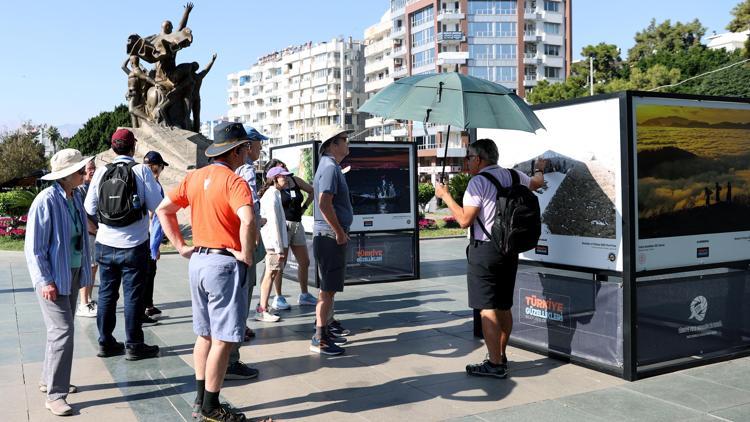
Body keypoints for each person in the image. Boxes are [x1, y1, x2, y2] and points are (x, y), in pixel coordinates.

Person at [157, 122, 258, 421]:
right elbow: (248, 220)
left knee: (204, 334)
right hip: (223, 263)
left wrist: (180, 245)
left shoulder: (195, 177)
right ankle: (213, 407)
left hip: (198, 260)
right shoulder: (235, 181)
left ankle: (200, 399)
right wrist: (247, 254)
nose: (248, 153)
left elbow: (164, 209)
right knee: (224, 339)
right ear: (237, 150)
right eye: (245, 148)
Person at [435, 139, 545, 379]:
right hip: (509, 249)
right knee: (504, 305)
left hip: (484, 251)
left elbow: (465, 220)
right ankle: (501, 356)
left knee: (487, 308)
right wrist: (540, 168)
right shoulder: (514, 175)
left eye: (468, 157)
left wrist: (445, 196)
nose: (466, 161)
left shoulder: (478, 183)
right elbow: (537, 183)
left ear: (478, 159)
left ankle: (494, 364)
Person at [84, 129, 163, 361]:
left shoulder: (101, 173)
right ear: (133, 147)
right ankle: (134, 345)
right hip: (134, 244)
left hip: (105, 244)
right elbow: (158, 206)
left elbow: (89, 208)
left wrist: (103, 226)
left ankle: (105, 342)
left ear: (112, 147)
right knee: (133, 296)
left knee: (107, 294)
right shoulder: (141, 171)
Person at [25, 149, 94, 416]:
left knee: (58, 332)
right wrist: (45, 280)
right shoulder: (46, 201)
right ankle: (55, 394)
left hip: (72, 273)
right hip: (53, 278)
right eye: (80, 170)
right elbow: (35, 248)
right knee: (63, 332)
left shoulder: (75, 196)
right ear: (65, 176)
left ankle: (47, 379)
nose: (84, 173)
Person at [225, 126, 266, 381]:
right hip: (243, 245)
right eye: (258, 143)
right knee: (241, 302)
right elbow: (248, 207)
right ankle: (231, 361)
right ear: (247, 146)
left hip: (225, 246)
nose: (261, 148)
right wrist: (256, 226)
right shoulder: (247, 169)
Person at [311, 126, 354, 356]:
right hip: (329, 236)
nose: (348, 143)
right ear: (332, 144)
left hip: (328, 235)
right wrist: (338, 231)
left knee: (328, 290)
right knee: (327, 290)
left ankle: (324, 331)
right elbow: (324, 202)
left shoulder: (330, 166)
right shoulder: (329, 167)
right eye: (345, 139)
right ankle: (320, 338)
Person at [263, 159, 317, 309]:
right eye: (281, 168)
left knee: (304, 261)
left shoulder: (294, 180)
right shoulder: (275, 186)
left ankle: (304, 294)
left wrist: (305, 207)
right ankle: (278, 297)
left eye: (284, 166)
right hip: (283, 225)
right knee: (281, 263)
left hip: (297, 224)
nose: (285, 169)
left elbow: (312, 191)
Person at [254, 166, 290, 323]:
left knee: (269, 274)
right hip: (273, 243)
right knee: (271, 274)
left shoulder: (273, 194)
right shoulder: (272, 196)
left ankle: (263, 306)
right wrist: (279, 248)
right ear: (275, 179)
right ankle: (263, 309)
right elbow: (274, 223)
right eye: (283, 177)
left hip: (272, 242)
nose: (286, 179)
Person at [142, 151, 168, 323]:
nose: (161, 170)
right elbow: (157, 217)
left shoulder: (145, 183)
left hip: (144, 235)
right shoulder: (153, 185)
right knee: (147, 273)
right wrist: (155, 246)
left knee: (149, 273)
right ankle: (145, 308)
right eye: (160, 167)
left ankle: (148, 305)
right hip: (149, 237)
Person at [75, 159, 98, 318]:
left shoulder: (91, 186)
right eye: (89, 169)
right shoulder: (81, 189)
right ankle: (83, 303)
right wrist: (94, 229)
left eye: (94, 168)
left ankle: (88, 299)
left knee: (94, 266)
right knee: (88, 267)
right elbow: (83, 214)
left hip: (95, 233)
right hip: (89, 234)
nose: (92, 171)